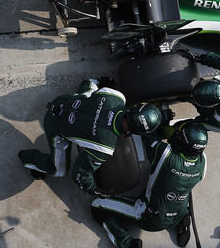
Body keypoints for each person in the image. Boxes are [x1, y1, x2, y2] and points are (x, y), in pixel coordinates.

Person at [91, 120, 208, 248]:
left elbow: (148, 133)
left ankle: (127, 245)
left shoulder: (165, 155)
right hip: (178, 211)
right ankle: (182, 221)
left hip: (150, 218)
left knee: (97, 206)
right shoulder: (203, 161)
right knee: (175, 189)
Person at [18, 79, 163, 195]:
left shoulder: (116, 97)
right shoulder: (104, 148)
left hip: (63, 101)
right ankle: (27, 158)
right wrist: (94, 190)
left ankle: (93, 80)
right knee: (58, 170)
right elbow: (79, 174)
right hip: (54, 124)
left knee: (90, 90)